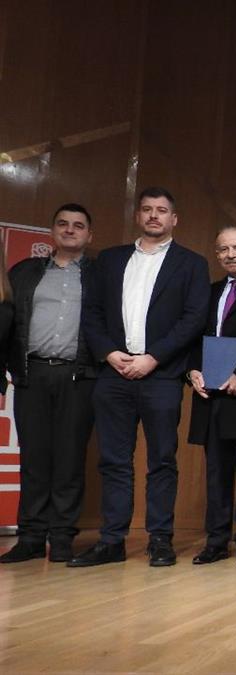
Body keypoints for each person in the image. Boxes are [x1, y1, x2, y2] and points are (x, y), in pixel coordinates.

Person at [72, 187, 209, 567]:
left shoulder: (191, 264)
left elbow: (194, 318)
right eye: (147, 210)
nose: (154, 216)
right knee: (113, 460)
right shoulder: (111, 260)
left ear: (174, 219)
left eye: (161, 211)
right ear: (138, 216)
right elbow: (92, 312)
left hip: (161, 376)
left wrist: (154, 357)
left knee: (162, 460)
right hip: (113, 372)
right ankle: (111, 540)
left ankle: (160, 539)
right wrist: (110, 353)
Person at [185, 227, 236, 565]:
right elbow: (193, 337)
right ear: (217, 254)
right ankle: (216, 540)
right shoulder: (208, 292)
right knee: (216, 474)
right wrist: (191, 370)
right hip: (211, 396)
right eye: (224, 249)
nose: (231, 254)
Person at [0, 205, 69, 564]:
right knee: (34, 459)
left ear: (88, 234)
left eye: (78, 225)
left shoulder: (97, 274)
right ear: (52, 231)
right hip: (32, 373)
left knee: (69, 460)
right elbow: (7, 318)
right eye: (62, 224)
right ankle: (29, 537)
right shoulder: (25, 271)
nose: (70, 230)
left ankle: (61, 539)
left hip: (78, 376)